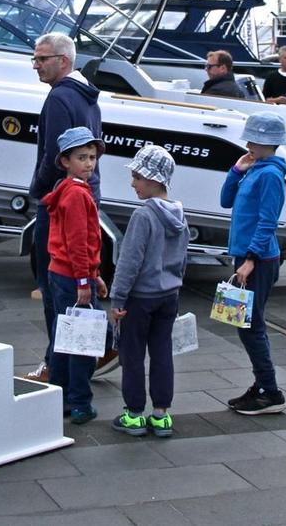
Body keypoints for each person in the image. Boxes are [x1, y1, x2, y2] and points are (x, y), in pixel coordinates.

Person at [24, 32, 109, 384]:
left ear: (64, 60)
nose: (35, 65)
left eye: (42, 58)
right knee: (80, 280)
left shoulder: (60, 97)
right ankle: (89, 358)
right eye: (35, 58)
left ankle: (56, 368)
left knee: (52, 285)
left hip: (61, 199)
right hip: (88, 193)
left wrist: (38, 191)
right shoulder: (88, 96)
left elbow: (53, 156)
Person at [109, 145, 189, 438]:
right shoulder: (180, 215)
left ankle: (133, 414)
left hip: (140, 298)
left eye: (137, 177)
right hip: (169, 296)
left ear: (154, 180)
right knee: (162, 353)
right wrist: (175, 285)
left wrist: (118, 298)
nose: (133, 183)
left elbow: (129, 262)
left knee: (132, 356)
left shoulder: (143, 217)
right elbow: (182, 259)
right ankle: (161, 415)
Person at [221, 111, 286, 415]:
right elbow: (226, 200)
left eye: (253, 138)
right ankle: (263, 385)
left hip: (258, 260)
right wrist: (236, 170)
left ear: (265, 142)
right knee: (246, 323)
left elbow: (267, 221)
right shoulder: (256, 169)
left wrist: (250, 259)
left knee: (250, 325)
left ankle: (269, 390)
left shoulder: (271, 175)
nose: (247, 143)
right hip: (250, 256)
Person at [42, 126, 109, 424]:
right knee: (83, 342)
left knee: (62, 335)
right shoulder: (77, 196)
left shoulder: (65, 190)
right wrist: (85, 279)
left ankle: (59, 394)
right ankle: (80, 402)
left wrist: (93, 275)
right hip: (73, 278)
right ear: (65, 161)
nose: (89, 163)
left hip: (60, 273)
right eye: (81, 157)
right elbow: (79, 242)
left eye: (92, 157)